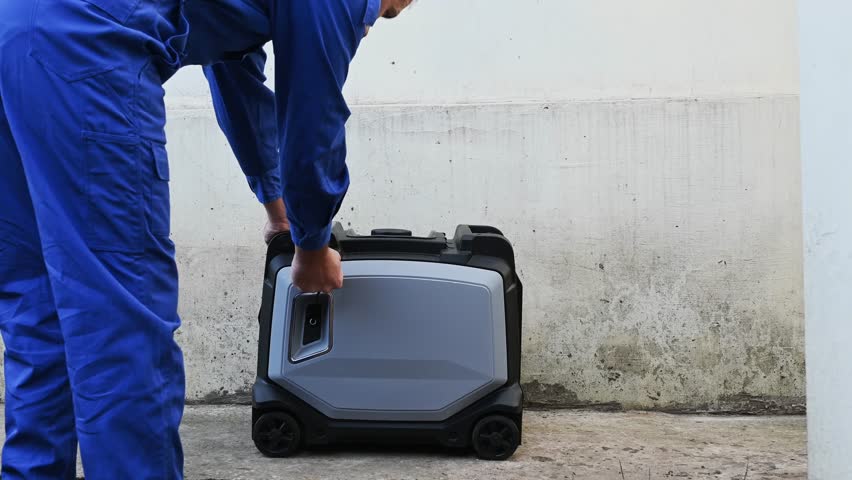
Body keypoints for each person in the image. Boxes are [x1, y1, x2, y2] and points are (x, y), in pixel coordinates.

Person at [0, 0, 413, 478]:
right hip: (86, 53)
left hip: (13, 29)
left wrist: (278, 211)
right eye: (386, 14)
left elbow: (236, 80)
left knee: (39, 306)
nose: (367, 29)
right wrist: (313, 245)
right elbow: (312, 120)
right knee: (119, 321)